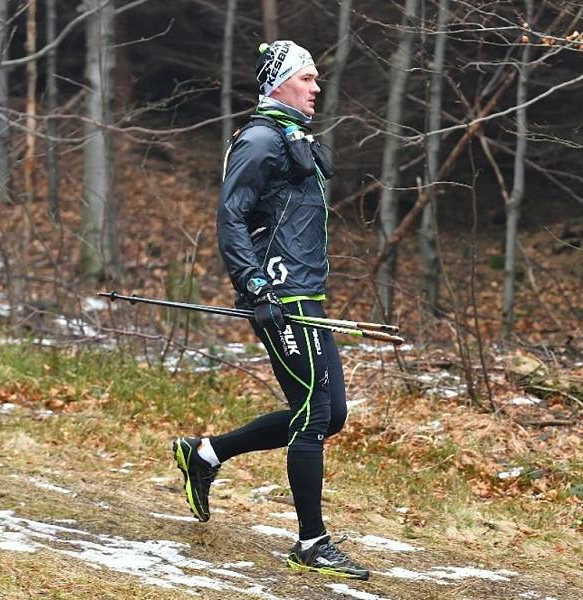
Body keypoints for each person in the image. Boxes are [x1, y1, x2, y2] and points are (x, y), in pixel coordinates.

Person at [172, 40, 369, 582]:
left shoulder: (291, 136)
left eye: (315, 79)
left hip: (307, 294)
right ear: (280, 82)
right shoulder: (260, 139)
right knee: (311, 414)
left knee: (332, 416)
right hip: (279, 295)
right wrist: (255, 287)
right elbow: (230, 216)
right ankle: (312, 542)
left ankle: (205, 454)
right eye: (307, 78)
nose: (316, 87)